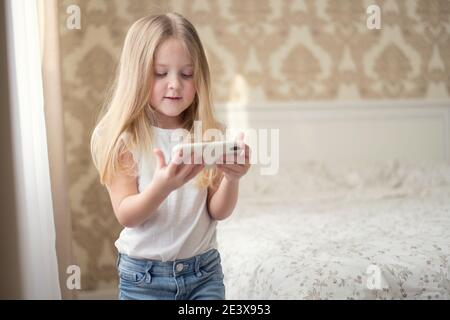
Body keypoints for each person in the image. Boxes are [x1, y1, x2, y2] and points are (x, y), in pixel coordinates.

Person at [90, 12, 250, 300]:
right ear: (137, 75)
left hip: (204, 273)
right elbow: (127, 214)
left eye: (186, 74)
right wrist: (163, 186)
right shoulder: (124, 138)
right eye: (161, 73)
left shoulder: (209, 133)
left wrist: (232, 178)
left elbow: (218, 212)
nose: (175, 83)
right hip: (144, 278)